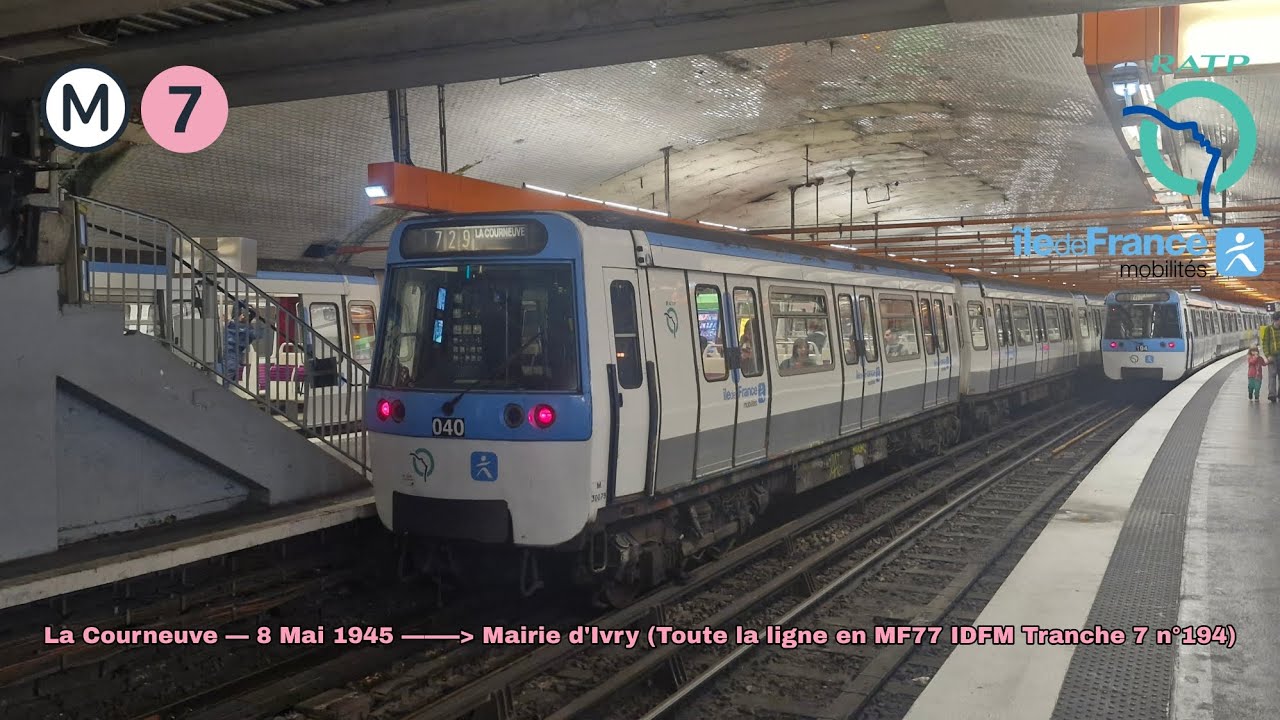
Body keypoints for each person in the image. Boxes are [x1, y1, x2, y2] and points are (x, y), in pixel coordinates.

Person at [220, 307, 259, 385]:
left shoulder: (243, 329)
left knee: (226, 377)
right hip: (229, 356)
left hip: (231, 356)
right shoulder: (248, 330)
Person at [1261, 312, 1280, 402]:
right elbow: (1265, 343)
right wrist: (1267, 355)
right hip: (1272, 356)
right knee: (1272, 375)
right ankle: (1272, 394)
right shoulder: (1268, 329)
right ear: (1276, 320)